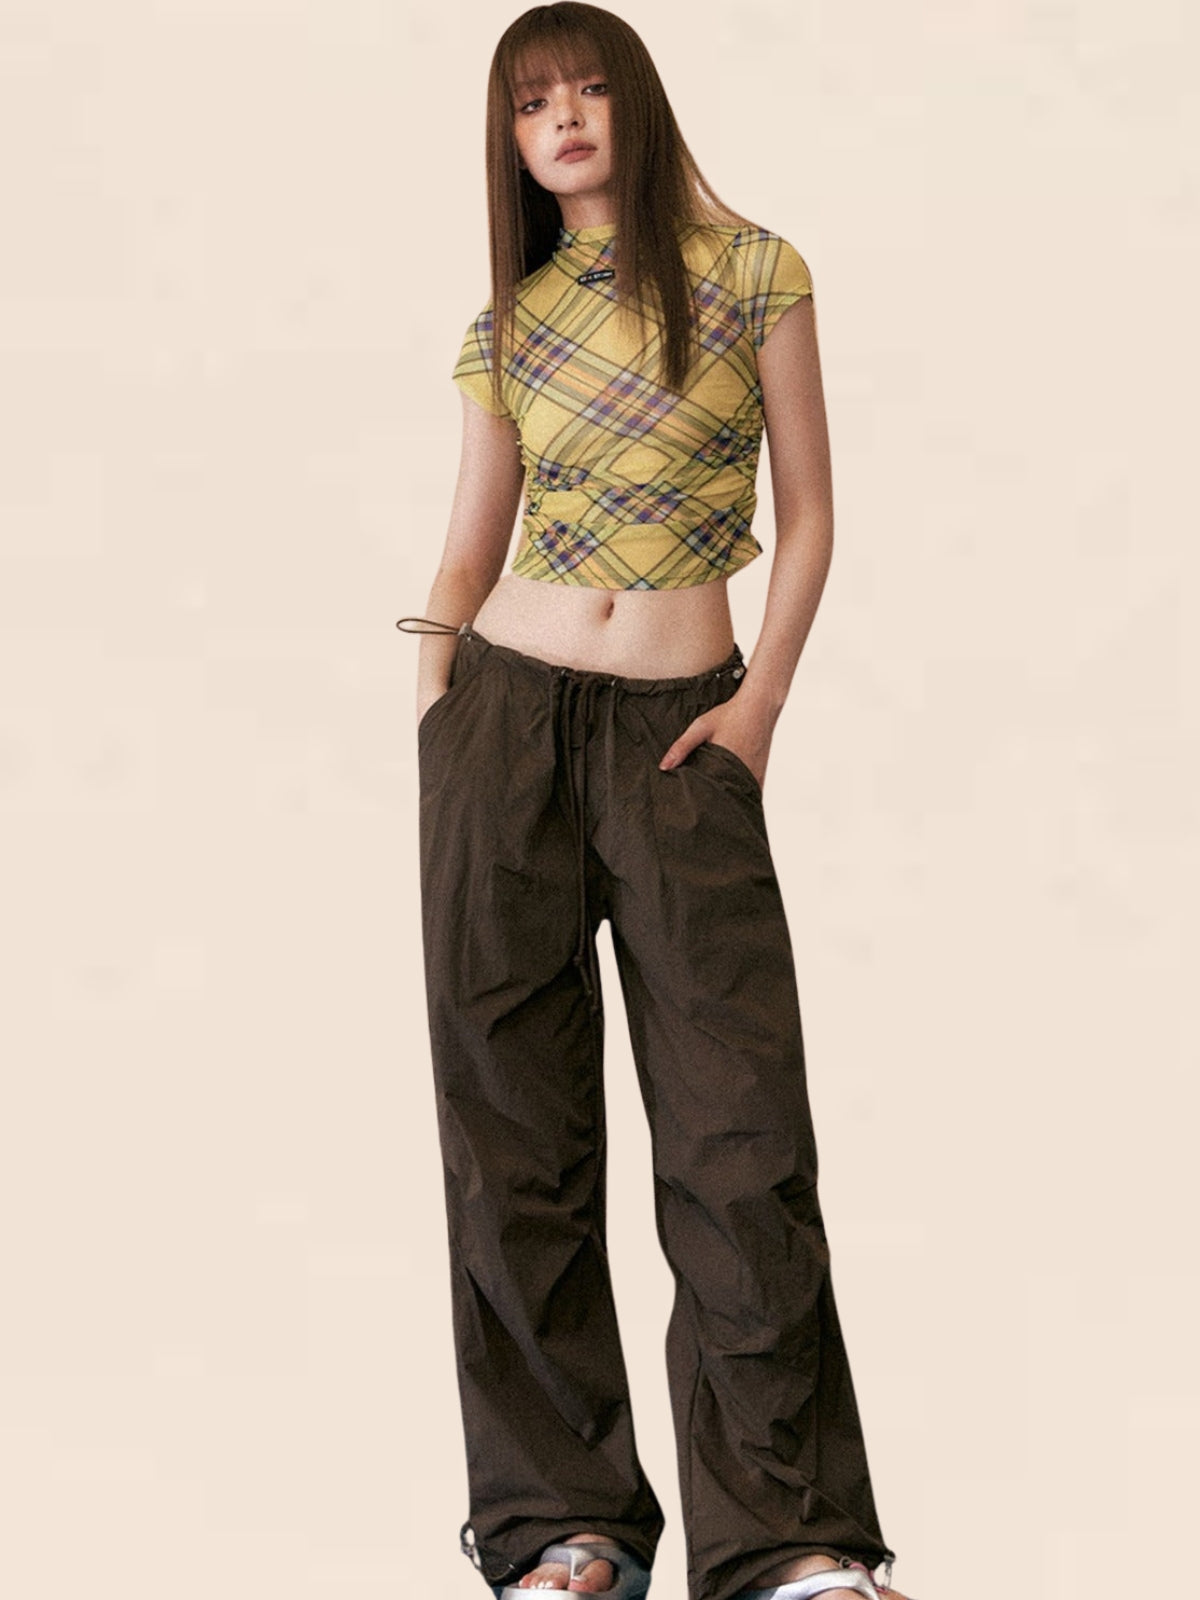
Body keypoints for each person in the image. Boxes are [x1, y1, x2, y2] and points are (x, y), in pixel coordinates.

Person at [397, 6, 915, 1599]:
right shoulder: (508, 325)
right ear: (509, 138)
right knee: (514, 1137)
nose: (561, 119)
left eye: (584, 89)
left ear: (636, 101)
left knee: (738, 1137)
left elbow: (811, 512)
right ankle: (564, 1532)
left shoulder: (755, 273)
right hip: (503, 728)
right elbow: (471, 545)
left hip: (685, 735)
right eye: (528, 103)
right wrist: (437, 709)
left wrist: (758, 711)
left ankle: (793, 1545)